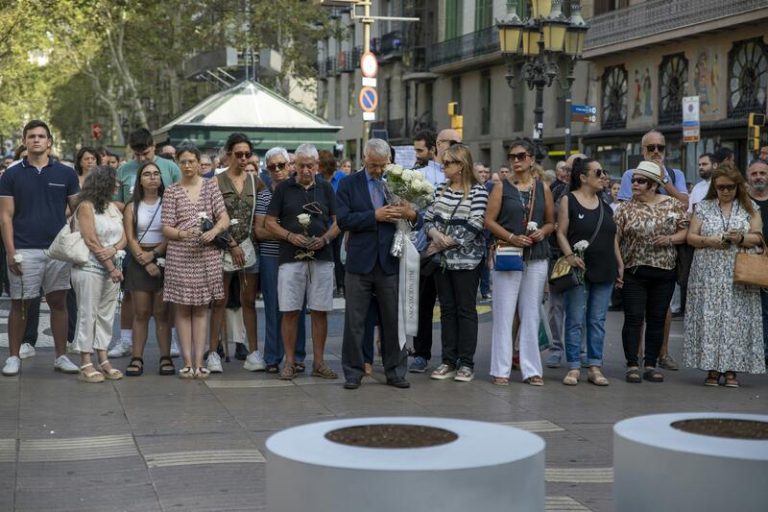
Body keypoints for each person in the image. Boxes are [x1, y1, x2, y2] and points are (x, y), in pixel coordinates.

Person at [0, 120, 80, 376]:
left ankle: (61, 356)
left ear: (49, 142)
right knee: (20, 304)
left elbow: (79, 207)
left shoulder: (66, 173)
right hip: (25, 249)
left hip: (57, 249)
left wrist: (65, 227)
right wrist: (11, 252)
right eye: (31, 136)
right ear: (24, 140)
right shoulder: (11, 174)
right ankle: (13, 357)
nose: (36, 140)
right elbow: (5, 217)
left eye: (41, 136)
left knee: (59, 302)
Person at [337, 138, 419, 390]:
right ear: (364, 159)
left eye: (383, 165)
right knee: (354, 320)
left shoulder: (399, 183)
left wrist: (409, 213)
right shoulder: (349, 184)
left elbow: (418, 217)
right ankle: (353, 371)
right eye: (373, 165)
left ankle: (395, 371)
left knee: (394, 321)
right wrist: (375, 215)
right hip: (359, 262)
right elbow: (343, 219)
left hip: (390, 262)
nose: (378, 170)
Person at [684, 164, 765, 387]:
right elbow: (691, 237)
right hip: (707, 274)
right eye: (720, 187)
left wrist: (740, 238)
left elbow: (758, 238)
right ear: (715, 187)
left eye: (730, 187)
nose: (726, 191)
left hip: (738, 273)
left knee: (735, 322)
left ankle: (731, 371)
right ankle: (711, 369)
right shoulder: (703, 207)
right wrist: (710, 241)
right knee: (710, 319)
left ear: (738, 186)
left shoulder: (750, 208)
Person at [265, 143, 339, 381]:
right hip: (290, 258)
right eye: (301, 165)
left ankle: (318, 363)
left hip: (322, 258)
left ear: (317, 166)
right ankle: (290, 362)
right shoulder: (283, 189)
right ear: (294, 165)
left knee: (320, 311)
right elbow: (269, 222)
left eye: (310, 165)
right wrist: (290, 236)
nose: (305, 170)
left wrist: (326, 238)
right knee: (289, 310)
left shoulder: (326, 188)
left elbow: (339, 221)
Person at [617, 130, 689, 371]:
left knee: (660, 314)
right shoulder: (631, 173)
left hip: (664, 266)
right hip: (635, 264)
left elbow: (683, 205)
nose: (656, 152)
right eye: (651, 148)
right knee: (635, 316)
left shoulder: (675, 174)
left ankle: (660, 355)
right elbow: (628, 207)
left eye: (660, 147)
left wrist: (662, 179)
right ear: (643, 150)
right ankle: (634, 359)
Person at [486, 138, 555, 386]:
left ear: (531, 159)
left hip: (536, 256)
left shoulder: (542, 188)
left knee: (531, 313)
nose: (516, 161)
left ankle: (531, 369)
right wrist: (512, 237)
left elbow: (550, 222)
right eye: (512, 157)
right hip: (507, 254)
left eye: (521, 156)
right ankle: (501, 370)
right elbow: (489, 221)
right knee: (504, 314)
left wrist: (542, 233)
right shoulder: (500, 187)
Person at [110, 128, 181, 359]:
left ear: (154, 146)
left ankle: (169, 342)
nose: (142, 159)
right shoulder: (124, 169)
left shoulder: (170, 167)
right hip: (133, 238)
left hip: (165, 242)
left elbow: (179, 199)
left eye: (146, 153)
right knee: (130, 295)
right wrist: (132, 208)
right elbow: (116, 202)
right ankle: (126, 340)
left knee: (166, 298)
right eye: (138, 155)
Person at [162, 145, 229, 379]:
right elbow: (166, 226)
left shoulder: (211, 187)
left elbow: (224, 217)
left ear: (199, 163)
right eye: (184, 161)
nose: (188, 165)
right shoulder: (171, 191)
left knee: (201, 310)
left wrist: (215, 231)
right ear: (178, 163)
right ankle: (187, 362)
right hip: (180, 255)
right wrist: (182, 234)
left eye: (192, 161)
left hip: (206, 255)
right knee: (182, 310)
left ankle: (200, 362)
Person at [423, 144, 488, 382]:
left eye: (448, 162)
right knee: (447, 310)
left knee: (466, 310)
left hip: (468, 262)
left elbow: (475, 225)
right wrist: (435, 236)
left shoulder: (479, 192)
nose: (443, 166)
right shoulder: (440, 188)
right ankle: (448, 360)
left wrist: (444, 242)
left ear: (461, 165)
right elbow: (428, 218)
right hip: (443, 262)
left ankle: (466, 363)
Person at [556, 158, 622, 386]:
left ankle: (595, 366)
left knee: (597, 320)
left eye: (604, 172)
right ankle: (573, 366)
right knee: (575, 318)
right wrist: (570, 256)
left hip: (605, 267)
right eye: (599, 172)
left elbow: (612, 237)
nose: (604, 176)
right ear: (583, 177)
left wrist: (620, 263)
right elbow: (561, 232)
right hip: (579, 269)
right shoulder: (569, 200)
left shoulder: (605, 204)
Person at [206, 133, 265, 374]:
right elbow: (207, 219)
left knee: (248, 301)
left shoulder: (255, 181)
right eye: (238, 154)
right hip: (223, 246)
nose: (242, 158)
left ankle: (253, 352)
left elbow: (265, 209)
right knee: (218, 301)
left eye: (246, 154)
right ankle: (213, 353)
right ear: (228, 154)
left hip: (250, 248)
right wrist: (230, 243)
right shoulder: (215, 182)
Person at [70, 166, 126, 382]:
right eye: (115, 181)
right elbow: (90, 239)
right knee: (87, 313)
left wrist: (114, 251)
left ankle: (103, 358)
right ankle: (85, 361)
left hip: (113, 269)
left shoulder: (113, 207)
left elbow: (124, 237)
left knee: (106, 315)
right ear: (103, 183)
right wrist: (111, 266)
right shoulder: (85, 206)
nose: (118, 185)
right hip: (89, 268)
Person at [255, 147, 307, 373]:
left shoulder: (300, 192)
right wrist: (286, 234)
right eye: (272, 166)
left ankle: (297, 356)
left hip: (297, 256)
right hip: (271, 257)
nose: (277, 170)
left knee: (298, 307)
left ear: (290, 166)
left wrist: (275, 228)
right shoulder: (265, 196)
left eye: (281, 165)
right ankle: (273, 357)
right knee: (273, 307)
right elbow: (258, 231)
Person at [122, 161, 173, 376]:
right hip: (138, 258)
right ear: (140, 180)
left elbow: (171, 234)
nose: (152, 177)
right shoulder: (132, 206)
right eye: (147, 174)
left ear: (161, 179)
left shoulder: (169, 203)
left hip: (164, 256)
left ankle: (165, 357)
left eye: (156, 174)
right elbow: (130, 237)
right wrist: (145, 260)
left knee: (162, 313)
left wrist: (154, 256)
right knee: (141, 312)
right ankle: (137, 358)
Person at [410, 128, 452, 373]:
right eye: (448, 142)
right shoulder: (420, 175)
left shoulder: (465, 175)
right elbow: (414, 211)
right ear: (437, 145)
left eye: (457, 142)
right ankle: (421, 353)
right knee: (423, 305)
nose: (453, 146)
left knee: (450, 306)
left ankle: (450, 357)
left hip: (453, 250)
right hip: (425, 249)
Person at [746, 158, 768, 365]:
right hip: (750, 262)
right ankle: (757, 354)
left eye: (762, 173)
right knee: (753, 309)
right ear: (748, 177)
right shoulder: (743, 202)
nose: (759, 177)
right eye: (754, 173)